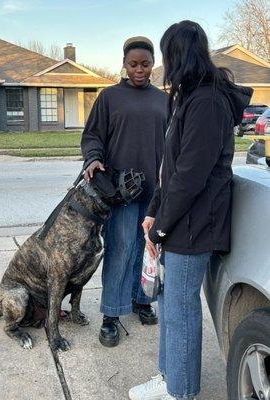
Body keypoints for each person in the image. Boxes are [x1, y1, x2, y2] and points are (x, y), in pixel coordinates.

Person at [129, 21, 253, 400]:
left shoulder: (208, 101)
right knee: (169, 304)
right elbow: (170, 167)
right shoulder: (190, 96)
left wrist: (159, 229)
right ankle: (169, 379)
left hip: (195, 225)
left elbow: (190, 177)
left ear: (179, 54)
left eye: (167, 55)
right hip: (178, 221)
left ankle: (181, 392)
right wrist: (154, 211)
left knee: (181, 310)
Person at [81, 36, 168, 347]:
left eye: (145, 64)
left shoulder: (163, 100)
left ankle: (141, 299)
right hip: (119, 190)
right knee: (120, 250)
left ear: (153, 63)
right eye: (133, 64)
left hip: (154, 192)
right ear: (124, 64)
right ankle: (111, 314)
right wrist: (93, 158)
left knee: (146, 250)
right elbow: (92, 136)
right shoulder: (109, 97)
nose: (139, 70)